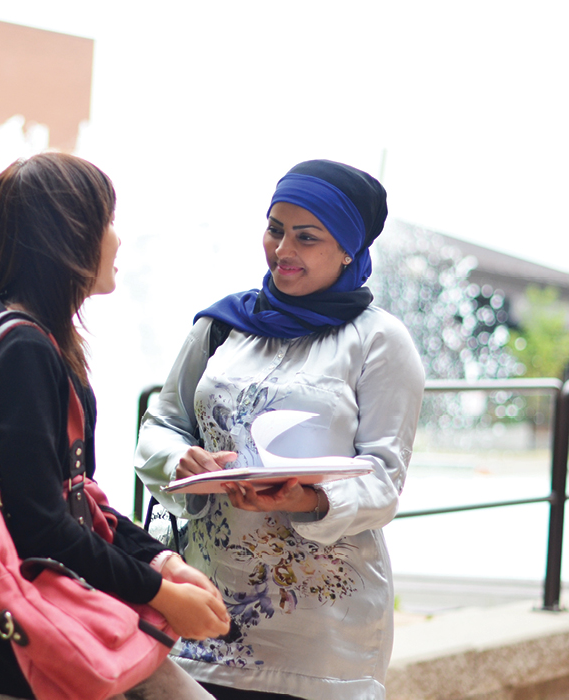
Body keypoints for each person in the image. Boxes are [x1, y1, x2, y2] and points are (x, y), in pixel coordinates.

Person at [0, 152, 230, 700]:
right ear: (71, 238)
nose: (118, 239)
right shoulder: (24, 351)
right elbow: (43, 529)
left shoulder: (23, 336)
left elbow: (75, 501)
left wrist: (159, 559)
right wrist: (160, 593)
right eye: (107, 222)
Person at [135, 159, 425, 700]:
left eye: (307, 237)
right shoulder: (221, 325)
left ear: (348, 248)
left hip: (320, 635)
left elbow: (384, 481)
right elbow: (159, 425)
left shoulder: (379, 341)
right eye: (275, 229)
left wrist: (308, 500)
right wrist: (178, 461)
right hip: (202, 612)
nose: (282, 250)